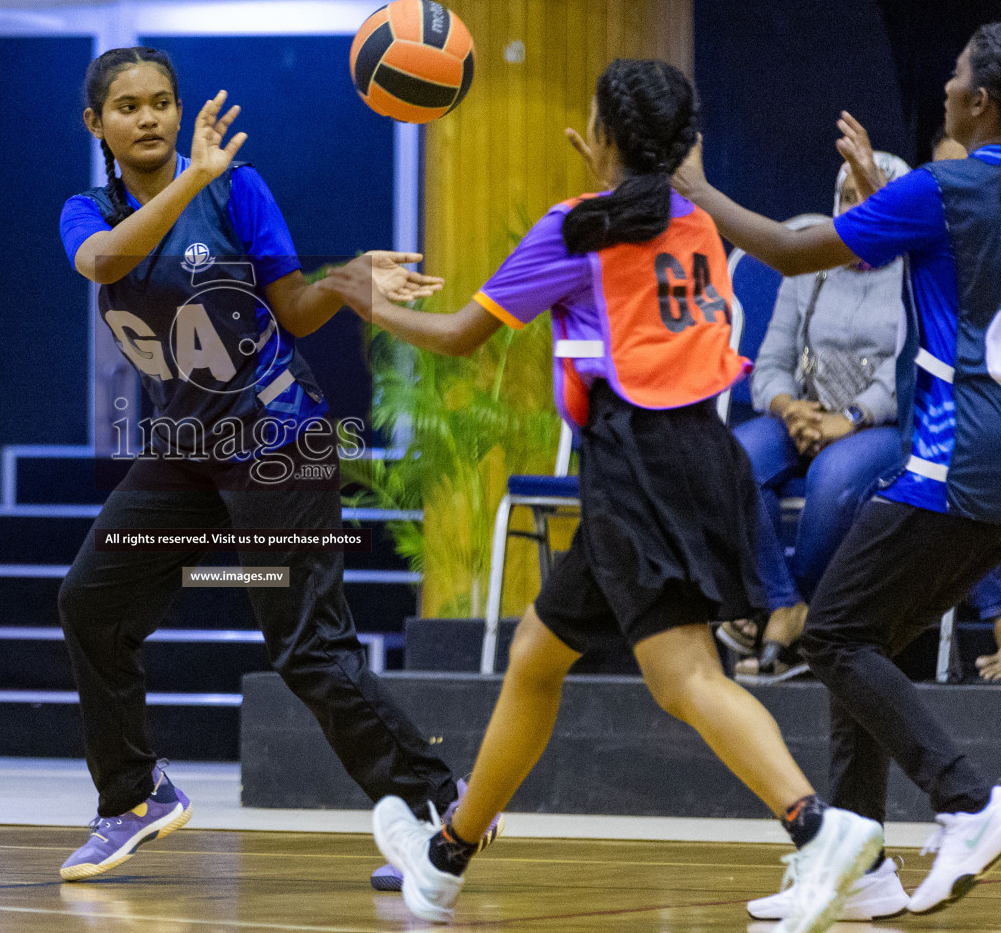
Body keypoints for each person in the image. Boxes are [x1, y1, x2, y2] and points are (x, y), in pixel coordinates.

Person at [319, 58, 881, 932]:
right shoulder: (694, 220)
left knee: (684, 676)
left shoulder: (574, 229)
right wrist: (619, 170)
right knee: (538, 655)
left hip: (637, 466)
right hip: (706, 454)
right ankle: (447, 857)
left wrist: (365, 298)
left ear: (606, 137)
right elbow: (642, 234)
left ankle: (818, 828)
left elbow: (463, 335)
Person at [54, 46, 475, 885]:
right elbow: (105, 264)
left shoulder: (238, 189)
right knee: (91, 603)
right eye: (129, 106)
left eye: (162, 102)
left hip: (276, 439)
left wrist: (348, 280)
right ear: (95, 123)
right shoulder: (87, 209)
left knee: (310, 650)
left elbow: (293, 310)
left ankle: (443, 811)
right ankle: (135, 798)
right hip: (188, 451)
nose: (150, 118)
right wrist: (186, 180)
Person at [672, 24, 1001, 921]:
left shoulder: (947, 186)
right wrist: (871, 197)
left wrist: (697, 190)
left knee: (833, 635)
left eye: (956, 75)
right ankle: (859, 869)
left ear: (979, 102)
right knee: (874, 634)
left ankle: (968, 801)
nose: (944, 83)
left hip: (950, 458)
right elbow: (913, 260)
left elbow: (786, 250)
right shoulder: (953, 196)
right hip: (995, 466)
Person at [724, 156, 909, 684]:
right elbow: (772, 362)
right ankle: (788, 606)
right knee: (735, 458)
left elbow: (908, 369)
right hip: (805, 415)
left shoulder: (917, 268)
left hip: (882, 426)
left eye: (871, 195)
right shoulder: (811, 262)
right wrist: (789, 407)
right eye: (848, 198)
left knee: (831, 481)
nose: (857, 209)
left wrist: (850, 418)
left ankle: (801, 616)